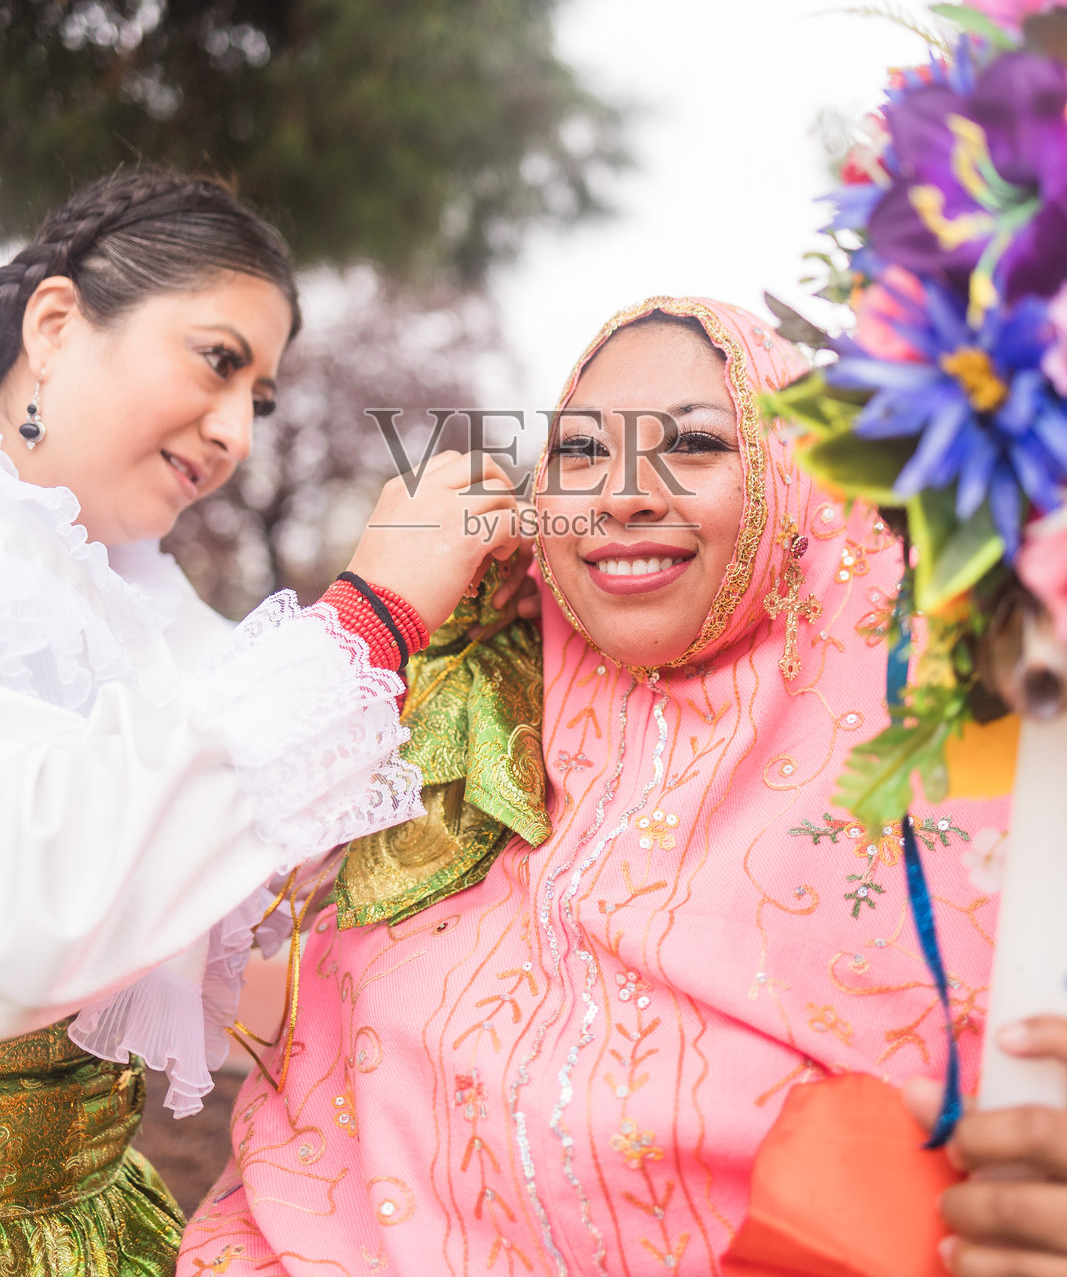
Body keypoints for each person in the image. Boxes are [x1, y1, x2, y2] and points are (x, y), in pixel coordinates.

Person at [178, 295, 1014, 1276]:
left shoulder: (961, 839)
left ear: (800, 486)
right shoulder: (449, 772)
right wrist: (382, 613)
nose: (621, 494)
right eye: (577, 454)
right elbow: (146, 895)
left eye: (696, 441)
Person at [0, 166, 527, 1276]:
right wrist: (372, 614)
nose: (236, 431)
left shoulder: (149, 613)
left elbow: (262, 909)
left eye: (262, 398)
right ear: (55, 324)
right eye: (218, 359)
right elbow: (36, 897)